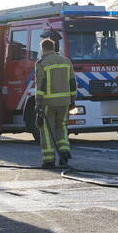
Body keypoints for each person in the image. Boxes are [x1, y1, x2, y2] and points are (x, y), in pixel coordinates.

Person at [34, 38, 76, 168]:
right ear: (53, 47)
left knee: (46, 130)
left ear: (42, 49)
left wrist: (38, 104)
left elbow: (40, 86)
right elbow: (72, 82)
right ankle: (64, 152)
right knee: (62, 127)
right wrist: (72, 100)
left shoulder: (41, 63)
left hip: (48, 102)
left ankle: (49, 160)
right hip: (65, 101)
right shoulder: (66, 61)